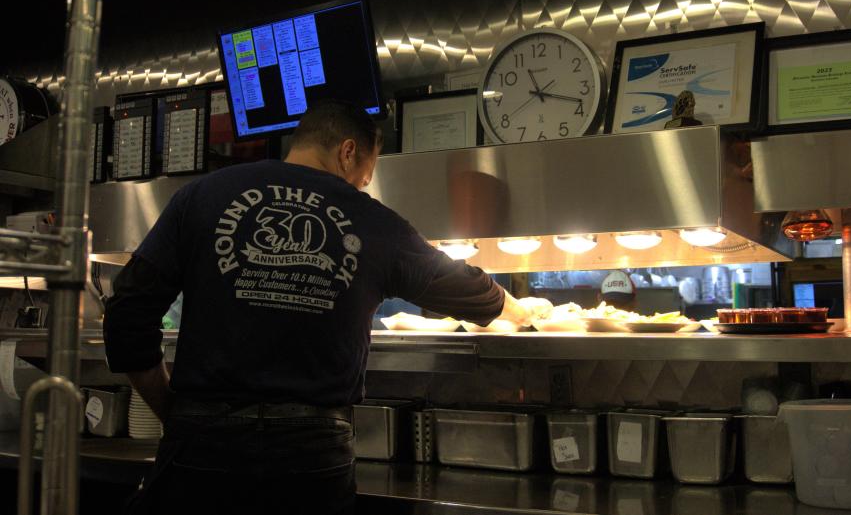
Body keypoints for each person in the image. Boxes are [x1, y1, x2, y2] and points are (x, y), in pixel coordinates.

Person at [103, 99, 541, 515]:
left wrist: (175, 413)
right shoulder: (372, 221)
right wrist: (521, 312)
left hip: (201, 446)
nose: (363, 186)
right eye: (366, 174)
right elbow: (459, 284)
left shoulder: (201, 196)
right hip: (310, 455)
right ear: (348, 152)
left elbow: (126, 312)